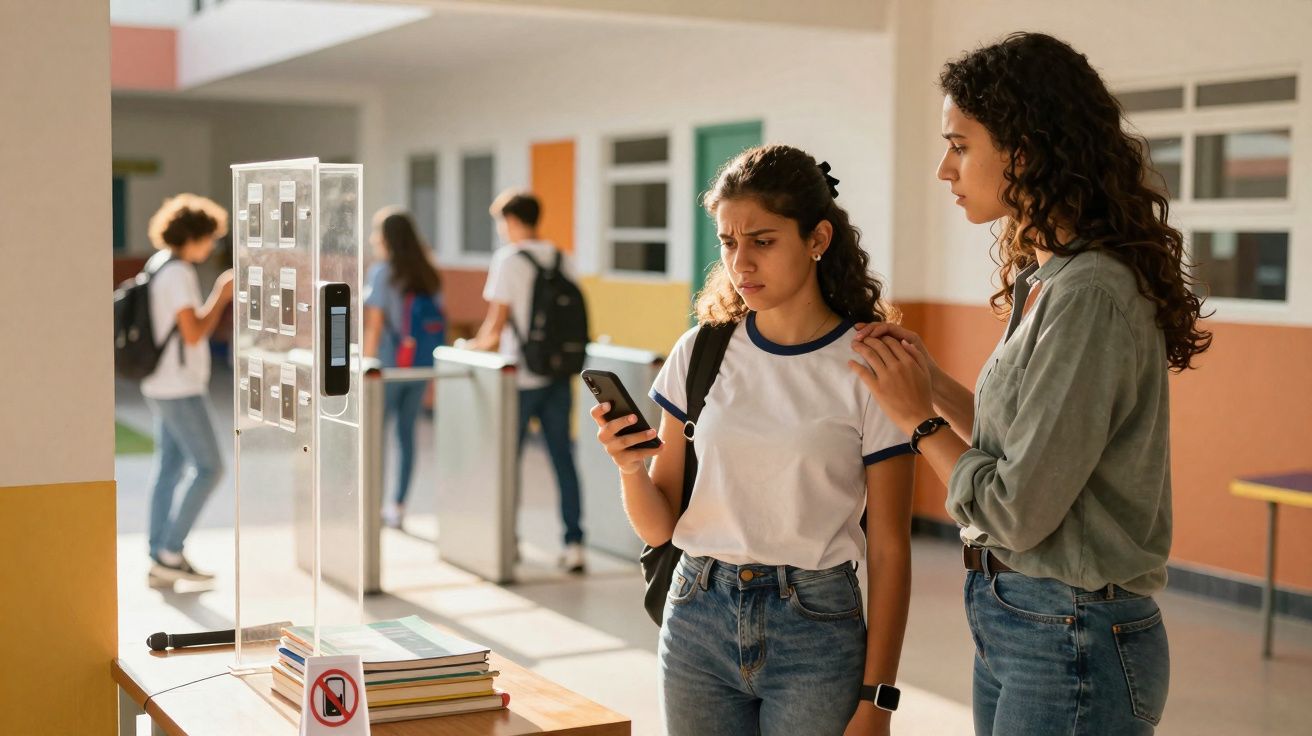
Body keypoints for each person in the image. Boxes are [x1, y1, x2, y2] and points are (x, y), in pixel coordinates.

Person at [851, 32, 1212, 736]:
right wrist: (932, 384)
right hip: (1024, 616)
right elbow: (1019, 446)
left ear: (1024, 151)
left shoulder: (1088, 293)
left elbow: (1017, 511)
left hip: (1071, 631)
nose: (944, 169)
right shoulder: (1047, 279)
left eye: (960, 146)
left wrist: (919, 422)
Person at [591, 145, 915, 736]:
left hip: (816, 626)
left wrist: (878, 699)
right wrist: (630, 468)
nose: (741, 263)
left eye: (763, 241)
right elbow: (660, 528)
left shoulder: (871, 364)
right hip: (696, 614)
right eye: (728, 242)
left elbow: (891, 546)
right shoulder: (701, 351)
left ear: (817, 239)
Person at [468, 190, 586, 573]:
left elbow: (495, 325)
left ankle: (509, 541)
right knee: (563, 459)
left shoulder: (508, 260)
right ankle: (574, 544)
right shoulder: (563, 257)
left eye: (502, 222)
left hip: (519, 378)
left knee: (508, 461)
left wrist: (468, 348)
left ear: (513, 221)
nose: (502, 230)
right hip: (557, 375)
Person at [141, 194, 235, 584]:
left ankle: (159, 554)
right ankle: (170, 550)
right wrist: (220, 296)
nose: (212, 245)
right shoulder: (178, 273)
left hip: (159, 382)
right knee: (211, 468)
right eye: (210, 238)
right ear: (193, 236)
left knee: (169, 468)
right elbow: (194, 333)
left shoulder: (158, 264)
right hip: (179, 386)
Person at [363, 207, 446, 529]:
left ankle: (372, 503)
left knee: (375, 437)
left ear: (387, 238)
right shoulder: (429, 272)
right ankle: (398, 506)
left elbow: (375, 325)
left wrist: (365, 363)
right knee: (406, 436)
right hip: (419, 367)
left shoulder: (382, 273)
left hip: (388, 368)